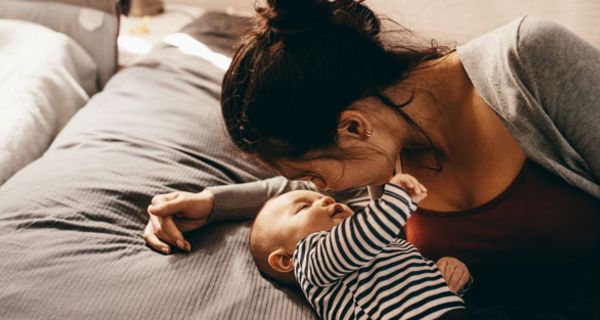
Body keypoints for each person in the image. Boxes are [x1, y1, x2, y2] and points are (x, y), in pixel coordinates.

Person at [144, 0, 600, 318]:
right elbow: (299, 199)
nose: (320, 190)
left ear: (353, 127)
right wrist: (212, 202)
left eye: (312, 173)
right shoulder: (385, 161)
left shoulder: (528, 61)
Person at [250, 172, 472, 320]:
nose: (325, 200)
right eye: (303, 207)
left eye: (321, 197)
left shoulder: (388, 245)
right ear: (285, 260)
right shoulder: (309, 261)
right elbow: (358, 240)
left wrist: (449, 274)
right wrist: (395, 201)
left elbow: (419, 284)